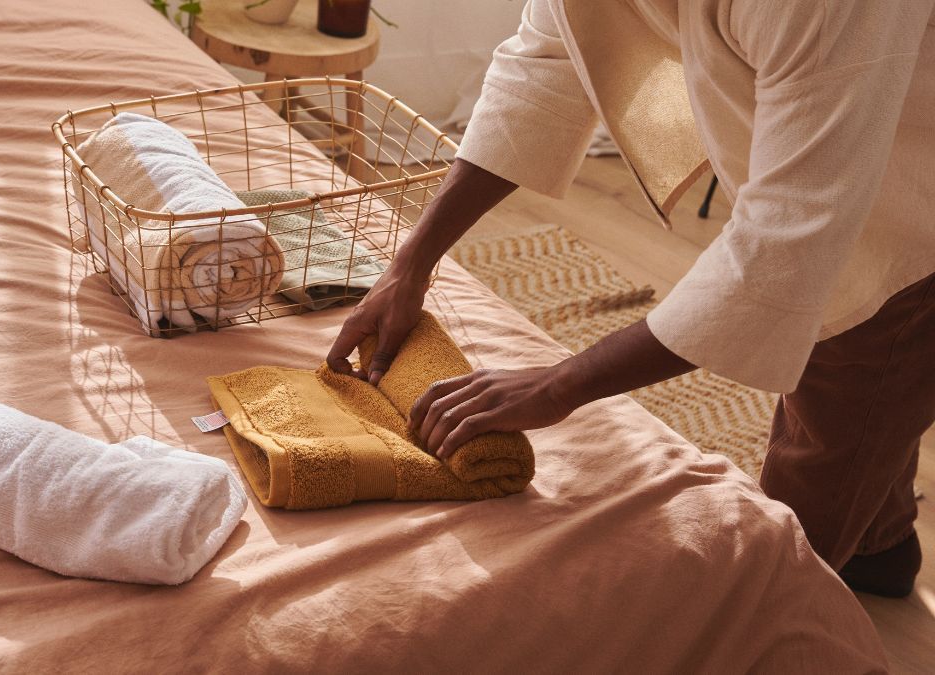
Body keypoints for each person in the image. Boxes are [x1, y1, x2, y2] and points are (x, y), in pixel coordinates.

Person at [327, 0, 935, 598]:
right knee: (869, 408)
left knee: (823, 437)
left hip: (909, 221)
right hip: (856, 157)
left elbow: (785, 241)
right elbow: (549, 60)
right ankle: (880, 550)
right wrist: (410, 265)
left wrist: (558, 385)